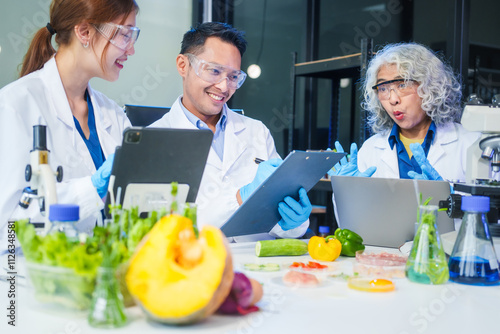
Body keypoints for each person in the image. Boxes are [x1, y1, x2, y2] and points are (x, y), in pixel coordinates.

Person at [150, 22, 311, 239]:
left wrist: (294, 222)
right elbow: (159, 229)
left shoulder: (257, 131)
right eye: (214, 71)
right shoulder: (154, 139)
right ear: (183, 65)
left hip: (258, 266)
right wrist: (239, 199)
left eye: (233, 77)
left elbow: (281, 222)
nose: (224, 87)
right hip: (196, 268)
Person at [0, 0, 140, 241]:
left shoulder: (114, 115)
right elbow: (8, 229)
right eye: (124, 35)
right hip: (33, 275)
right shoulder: (14, 105)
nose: (131, 50)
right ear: (84, 31)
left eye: (132, 36)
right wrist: (90, 189)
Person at [332, 42, 480, 182]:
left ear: (430, 86)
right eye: (383, 88)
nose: (393, 99)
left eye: (402, 84)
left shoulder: (471, 144)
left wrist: (450, 199)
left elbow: (491, 205)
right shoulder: (370, 149)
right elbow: (350, 209)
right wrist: (345, 190)